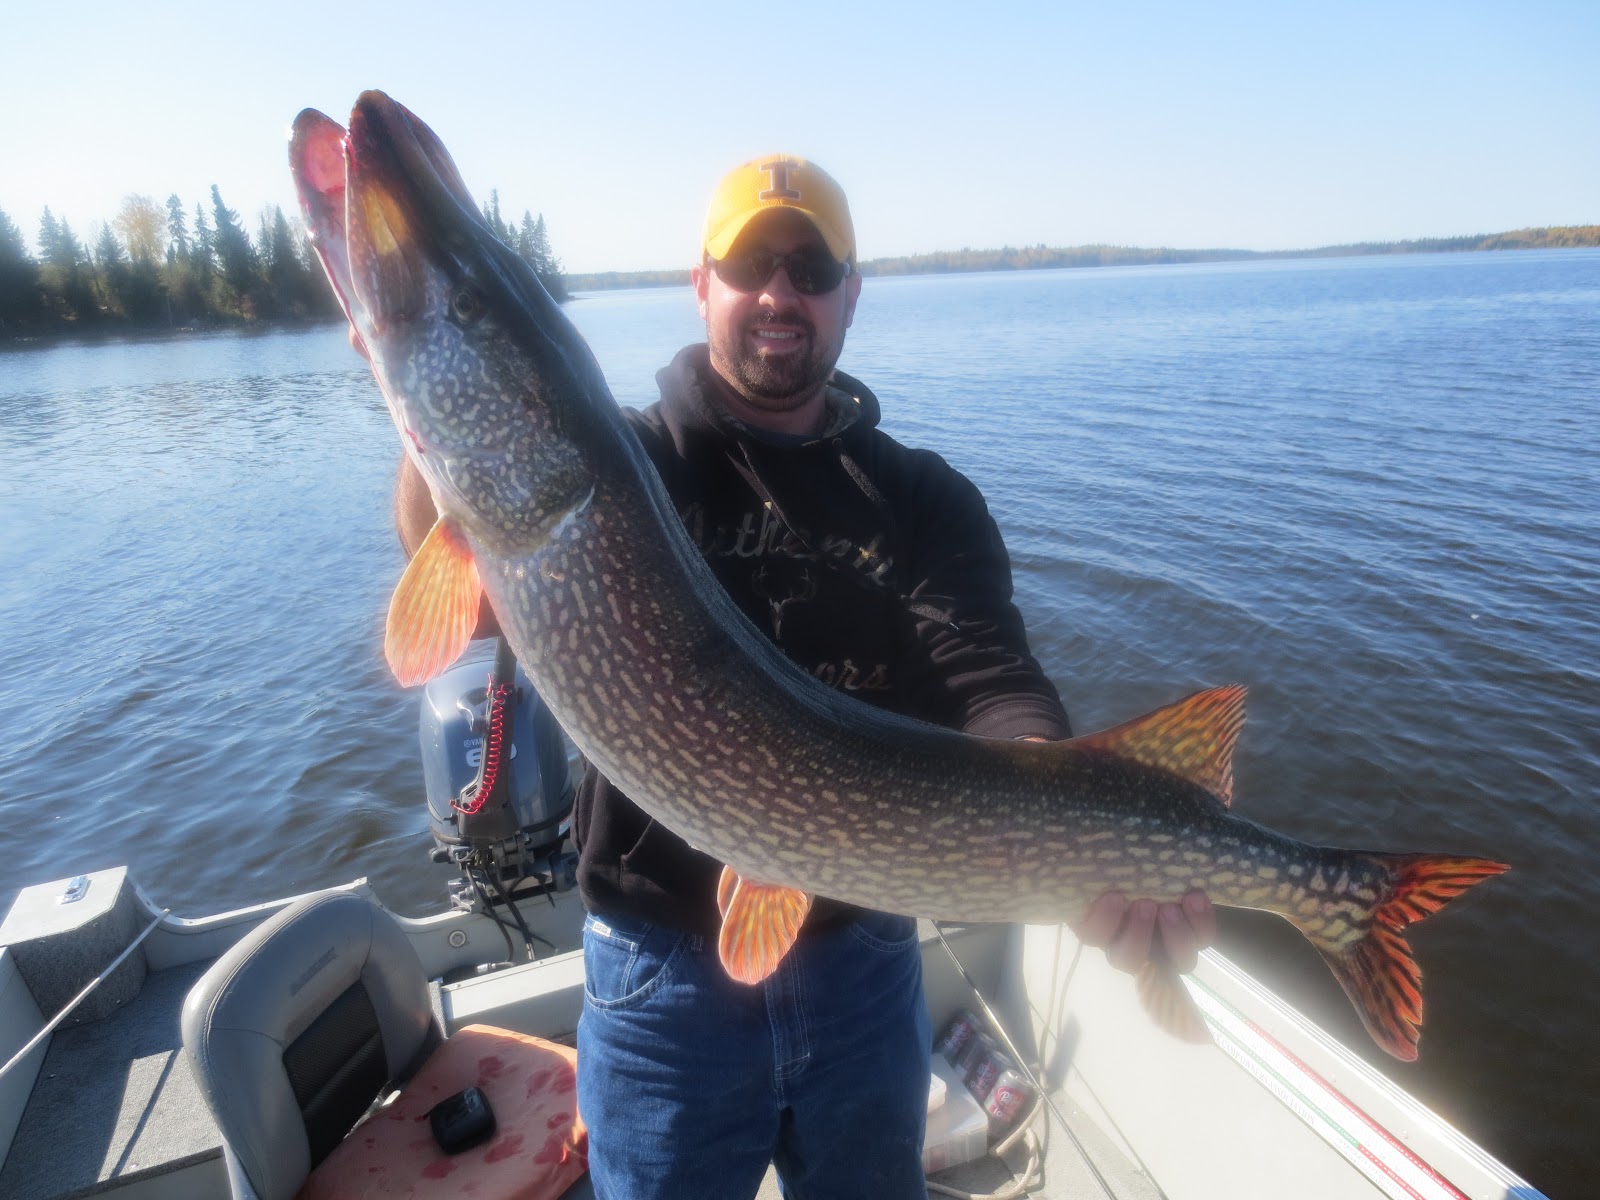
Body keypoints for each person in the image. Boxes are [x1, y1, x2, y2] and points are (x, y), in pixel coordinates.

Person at [394, 154, 1215, 1199]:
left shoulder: (922, 498)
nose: (781, 292)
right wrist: (428, 423)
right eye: (750, 263)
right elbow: (454, 574)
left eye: (813, 267)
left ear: (849, 297)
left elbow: (988, 673)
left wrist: (1082, 819)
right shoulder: (620, 467)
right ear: (702, 284)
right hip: (659, 984)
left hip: (863, 965)